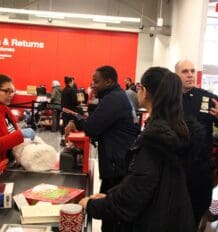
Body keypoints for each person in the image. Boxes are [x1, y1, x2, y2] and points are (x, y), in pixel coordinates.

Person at [78, 67, 195, 232]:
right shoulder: (175, 130)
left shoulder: (155, 139)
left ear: (145, 92)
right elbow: (143, 183)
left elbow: (131, 199)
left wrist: (91, 205)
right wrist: (110, 195)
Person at [65, 65, 140, 232]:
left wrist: (76, 120)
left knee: (111, 217)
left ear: (109, 81)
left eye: (96, 82)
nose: (93, 85)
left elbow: (92, 127)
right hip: (120, 163)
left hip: (117, 167)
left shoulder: (113, 98)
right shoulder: (117, 96)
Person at [175, 59, 218, 226]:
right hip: (175, 166)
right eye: (185, 71)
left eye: (193, 71)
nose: (190, 75)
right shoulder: (169, 98)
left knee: (197, 213)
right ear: (176, 75)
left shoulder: (208, 98)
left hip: (200, 170)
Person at [0, 74, 35, 166]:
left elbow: (11, 133)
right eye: (7, 91)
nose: (10, 95)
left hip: (9, 162)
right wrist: (20, 134)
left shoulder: (5, 109)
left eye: (12, 91)